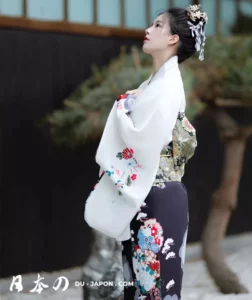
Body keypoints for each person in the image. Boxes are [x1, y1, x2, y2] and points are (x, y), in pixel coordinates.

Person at [84, 4, 207, 300]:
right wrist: (127, 103)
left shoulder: (168, 85)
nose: (148, 30)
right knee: (136, 286)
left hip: (159, 196)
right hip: (145, 195)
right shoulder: (152, 84)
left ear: (173, 39)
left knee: (155, 289)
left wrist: (123, 107)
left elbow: (145, 138)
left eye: (157, 26)